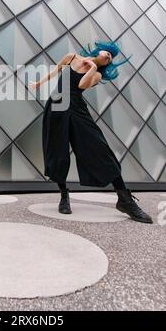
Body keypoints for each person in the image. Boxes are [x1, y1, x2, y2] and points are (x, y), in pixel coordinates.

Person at [29, 40, 153, 224]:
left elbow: (81, 86)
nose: (109, 57)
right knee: (57, 153)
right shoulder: (71, 57)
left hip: (77, 110)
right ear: (99, 49)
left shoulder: (95, 74)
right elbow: (57, 70)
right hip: (56, 106)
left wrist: (92, 67)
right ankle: (64, 195)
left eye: (110, 58)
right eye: (109, 53)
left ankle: (125, 199)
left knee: (100, 148)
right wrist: (39, 83)